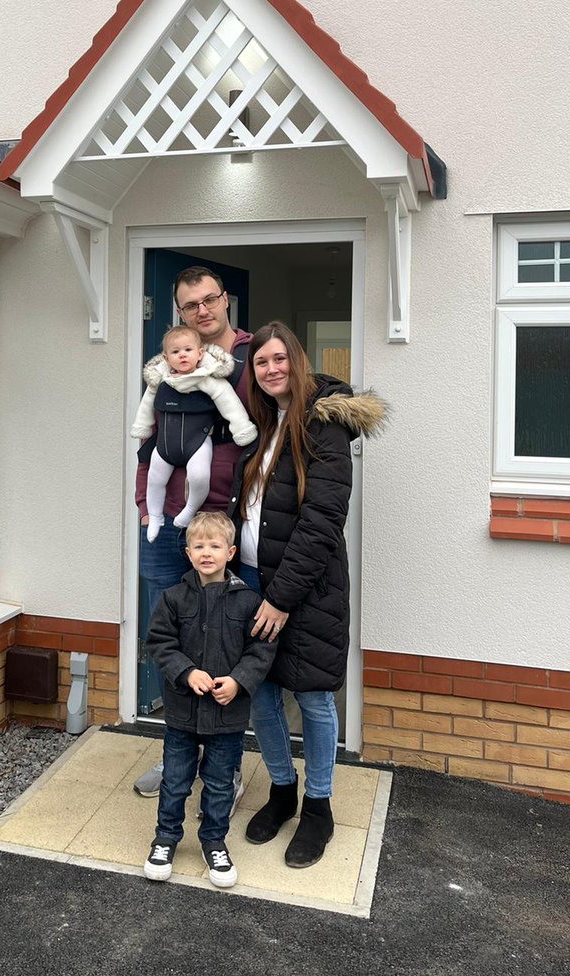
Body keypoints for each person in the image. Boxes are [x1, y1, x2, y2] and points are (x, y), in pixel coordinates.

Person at [231, 322, 385, 868]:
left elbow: (322, 522)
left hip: (304, 589)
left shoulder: (325, 426)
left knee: (314, 696)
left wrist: (281, 598)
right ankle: (280, 789)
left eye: (279, 359)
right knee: (265, 694)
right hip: (248, 581)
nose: (271, 370)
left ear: (297, 361)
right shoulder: (257, 422)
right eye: (260, 363)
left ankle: (317, 805)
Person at [133, 266, 253, 798]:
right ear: (178, 313)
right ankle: (176, 760)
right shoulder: (165, 368)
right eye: (190, 305)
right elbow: (148, 440)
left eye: (210, 300)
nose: (202, 311)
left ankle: (222, 765)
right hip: (166, 531)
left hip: (227, 527)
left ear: (226, 300)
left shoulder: (250, 359)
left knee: (228, 647)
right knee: (172, 644)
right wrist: (145, 502)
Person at [143, 512, 276, 888]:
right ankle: (166, 837)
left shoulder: (249, 602)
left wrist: (238, 681)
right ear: (188, 553)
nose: (206, 553)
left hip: (226, 714)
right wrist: (186, 672)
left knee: (219, 783)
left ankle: (213, 841)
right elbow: (160, 642)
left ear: (230, 552)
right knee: (175, 780)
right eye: (198, 546)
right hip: (183, 713)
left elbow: (261, 648)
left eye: (214, 546)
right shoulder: (173, 598)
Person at [131, 325, 257, 542]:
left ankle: (190, 509)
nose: (182, 355)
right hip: (165, 445)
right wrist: (141, 426)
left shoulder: (208, 379)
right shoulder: (160, 381)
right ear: (166, 357)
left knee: (199, 476)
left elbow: (230, 404)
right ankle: (155, 516)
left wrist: (242, 428)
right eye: (175, 352)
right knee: (155, 478)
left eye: (188, 350)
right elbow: (146, 406)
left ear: (200, 354)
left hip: (198, 442)